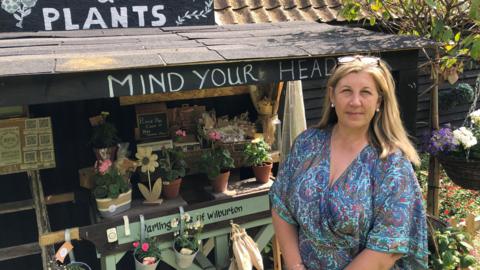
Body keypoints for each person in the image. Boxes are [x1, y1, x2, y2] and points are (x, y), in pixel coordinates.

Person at [269, 55, 428, 270]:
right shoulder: (307, 144)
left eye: (366, 92)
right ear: (332, 95)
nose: (355, 102)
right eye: (346, 91)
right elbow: (281, 204)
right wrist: (295, 265)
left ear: (379, 101)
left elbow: (386, 249)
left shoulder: (391, 164)